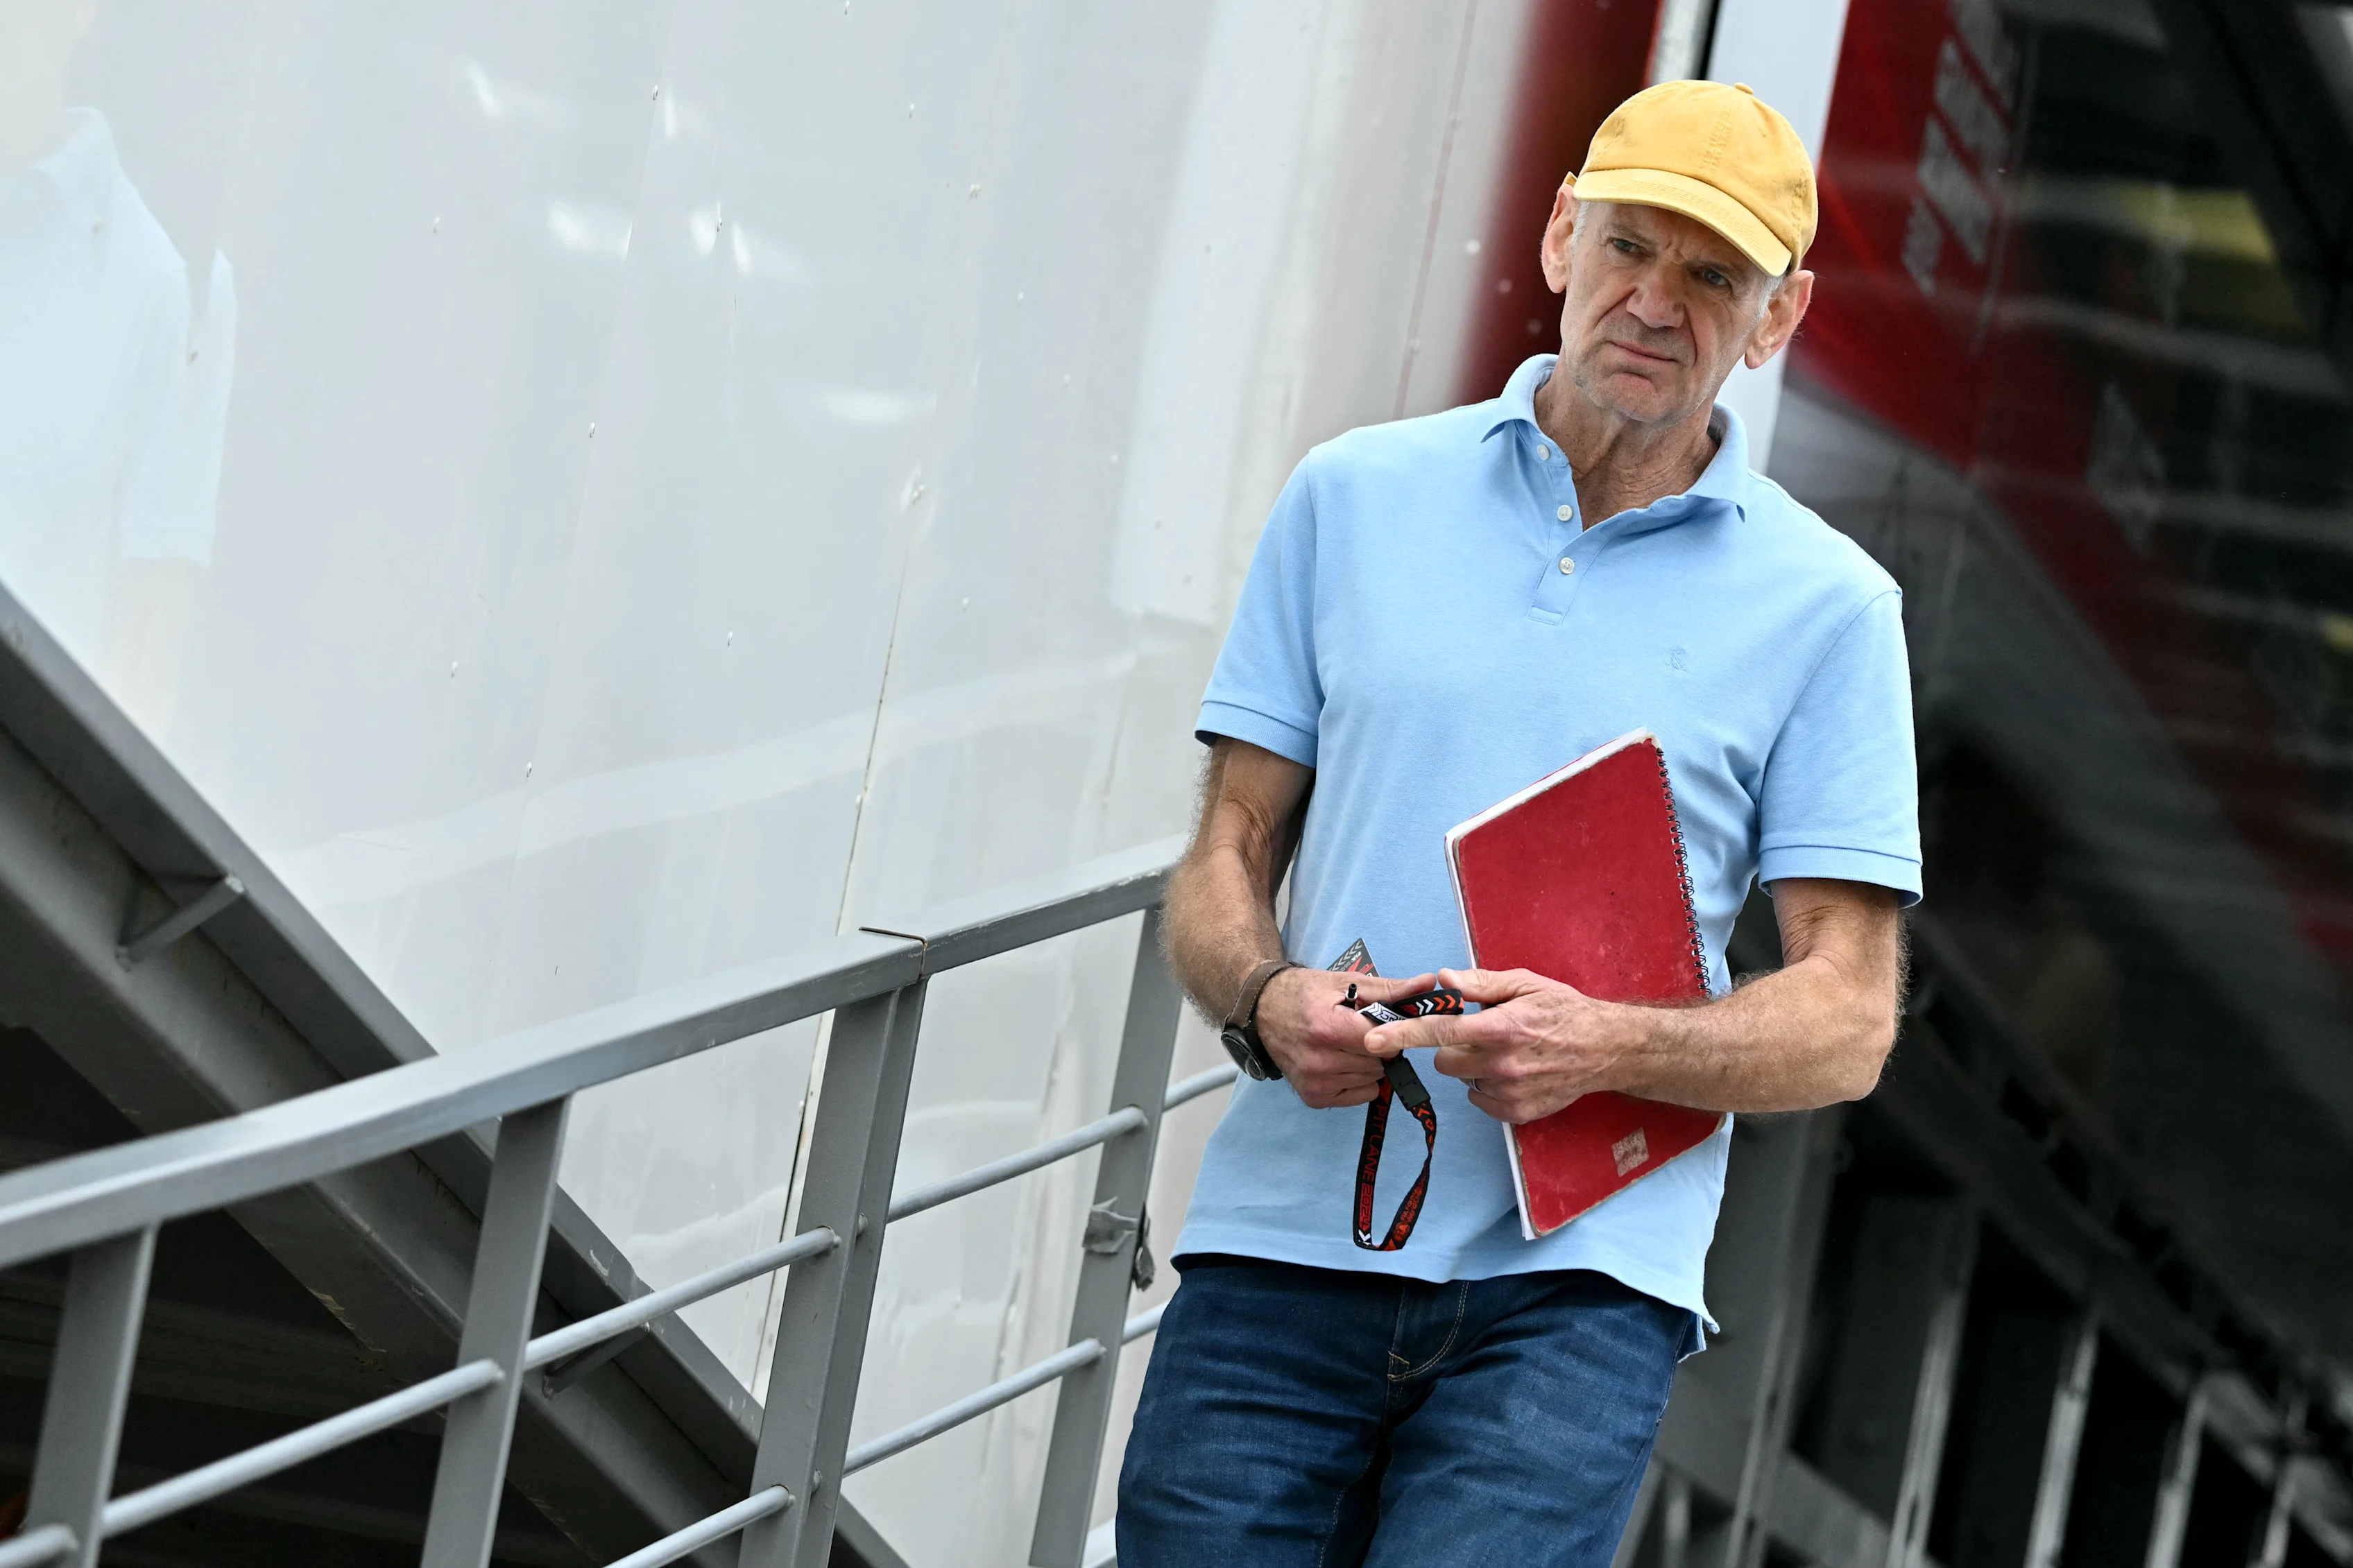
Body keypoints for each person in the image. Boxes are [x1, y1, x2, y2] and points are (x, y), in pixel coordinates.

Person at [1118, 80, 1919, 1567]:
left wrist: (1602, 1042)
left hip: (1579, 1291)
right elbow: (1224, 852)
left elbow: (1849, 1018)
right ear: (1561, 233)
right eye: (1629, 245)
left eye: (1712, 275)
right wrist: (1267, 994)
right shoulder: (1350, 496)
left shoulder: (1831, 613)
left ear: (1778, 316)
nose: (1655, 300)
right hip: (1287, 1242)